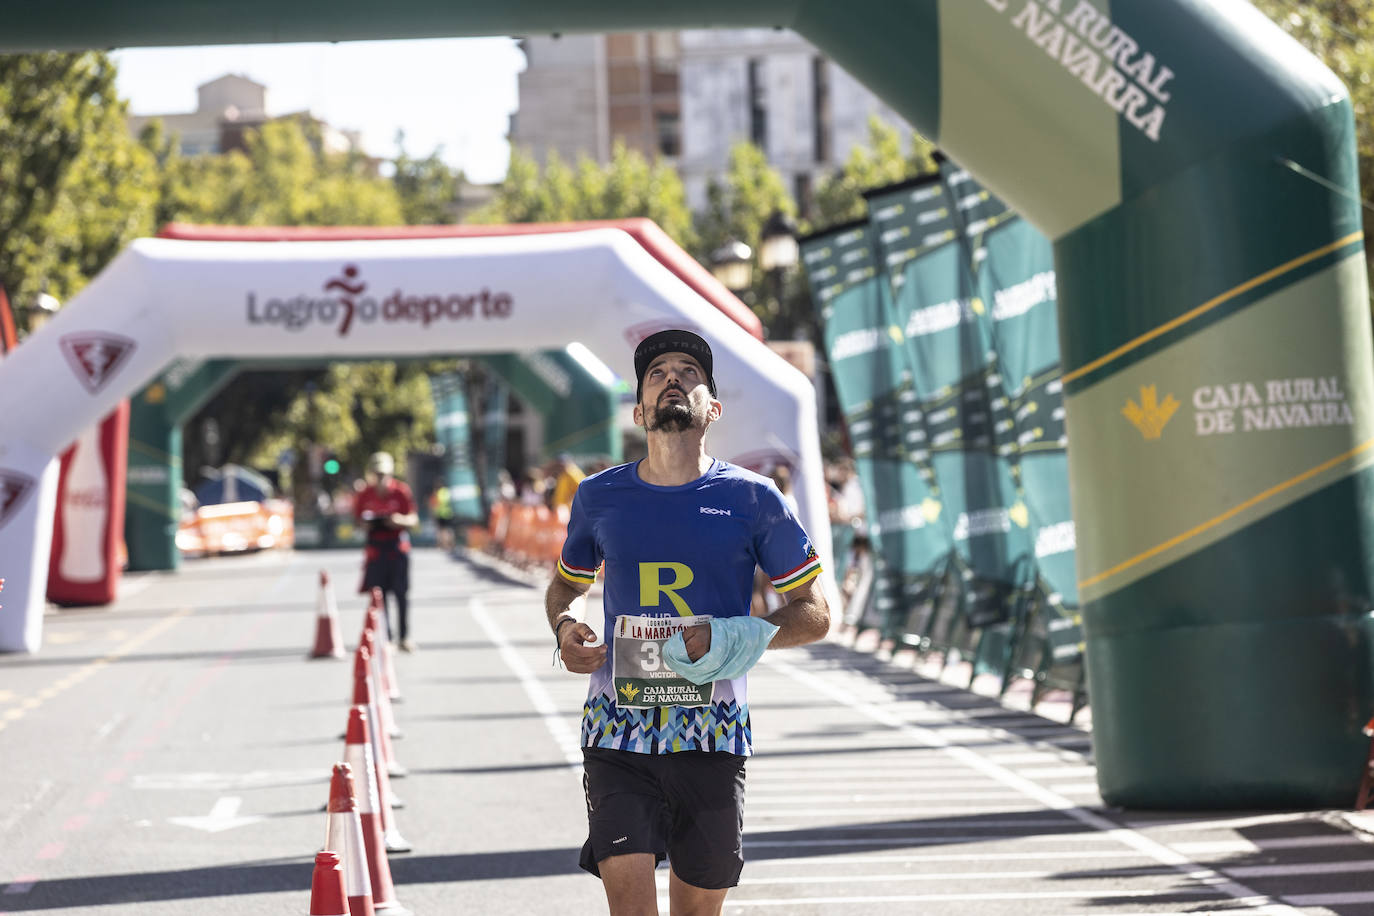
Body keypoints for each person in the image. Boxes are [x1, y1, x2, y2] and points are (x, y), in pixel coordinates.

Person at [545, 328, 831, 915]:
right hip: (617, 730)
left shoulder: (755, 498)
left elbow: (816, 613)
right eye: (657, 373)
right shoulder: (599, 497)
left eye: (689, 371)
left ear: (713, 408)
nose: (672, 377)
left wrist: (731, 637)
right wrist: (565, 628)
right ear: (640, 410)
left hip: (711, 732)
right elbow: (564, 588)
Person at [354, 451, 420, 652]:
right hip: (376, 548)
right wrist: (367, 524)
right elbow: (358, 521)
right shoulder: (365, 494)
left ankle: (404, 636)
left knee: (401, 593)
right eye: (377, 474)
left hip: (397, 547)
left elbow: (414, 519)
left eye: (383, 474)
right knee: (378, 596)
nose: (380, 478)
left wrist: (399, 520)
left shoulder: (401, 492)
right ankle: (386, 637)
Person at [430, 482, 455, 552]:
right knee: (448, 530)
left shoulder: (438, 493)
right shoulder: (447, 492)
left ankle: (444, 545)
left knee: (442, 530)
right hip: (449, 513)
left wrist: (434, 513)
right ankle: (449, 544)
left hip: (441, 514)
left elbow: (436, 504)